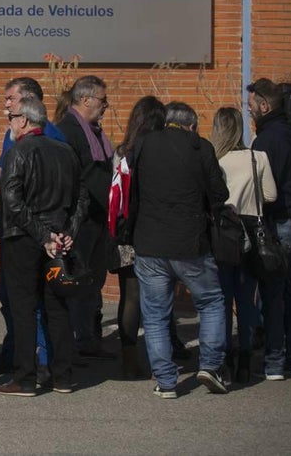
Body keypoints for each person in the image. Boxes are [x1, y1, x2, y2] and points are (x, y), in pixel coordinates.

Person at [130, 102, 230, 398]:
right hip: (190, 242)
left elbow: (132, 190)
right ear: (191, 125)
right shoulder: (200, 147)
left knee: (156, 314)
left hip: (149, 241)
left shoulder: (144, 143)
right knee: (211, 301)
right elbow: (219, 194)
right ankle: (210, 366)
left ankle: (166, 380)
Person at [0, 96, 87, 397]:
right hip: (55, 238)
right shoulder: (65, 152)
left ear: (23, 120)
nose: (9, 122)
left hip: (24, 240)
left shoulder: (18, 152)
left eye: (11, 117)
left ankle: (25, 377)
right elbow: (81, 197)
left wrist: (43, 234)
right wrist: (66, 231)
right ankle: (63, 375)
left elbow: (12, 201)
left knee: (23, 307)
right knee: (57, 306)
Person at [0, 77, 66, 377]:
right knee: (22, 300)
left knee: (29, 300)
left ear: (27, 105)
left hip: (26, 230)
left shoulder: (38, 135)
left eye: (10, 100)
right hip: (39, 228)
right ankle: (16, 352)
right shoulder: (36, 134)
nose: (5, 105)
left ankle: (36, 362)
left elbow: (6, 175)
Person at [210, 105, 277, 384]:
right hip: (251, 228)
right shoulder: (256, 157)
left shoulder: (213, 159)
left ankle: (224, 356)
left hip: (223, 232)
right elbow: (270, 195)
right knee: (247, 298)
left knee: (222, 299)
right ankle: (246, 359)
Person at [105, 95, 168, 380]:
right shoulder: (162, 150)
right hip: (155, 231)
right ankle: (161, 357)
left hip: (126, 233)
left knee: (129, 296)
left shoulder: (122, 152)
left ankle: (129, 356)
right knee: (159, 295)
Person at [55, 75, 115, 359]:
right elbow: (79, 176)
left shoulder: (95, 130)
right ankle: (75, 341)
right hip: (80, 221)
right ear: (85, 99)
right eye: (102, 100)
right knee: (77, 282)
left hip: (97, 218)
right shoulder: (68, 130)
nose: (106, 105)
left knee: (93, 281)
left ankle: (88, 338)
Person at [247, 78, 291, 380]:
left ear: (265, 106)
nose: (249, 110)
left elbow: (264, 191)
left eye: (252, 105)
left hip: (280, 221)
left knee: (273, 293)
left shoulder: (267, 141)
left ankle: (274, 361)